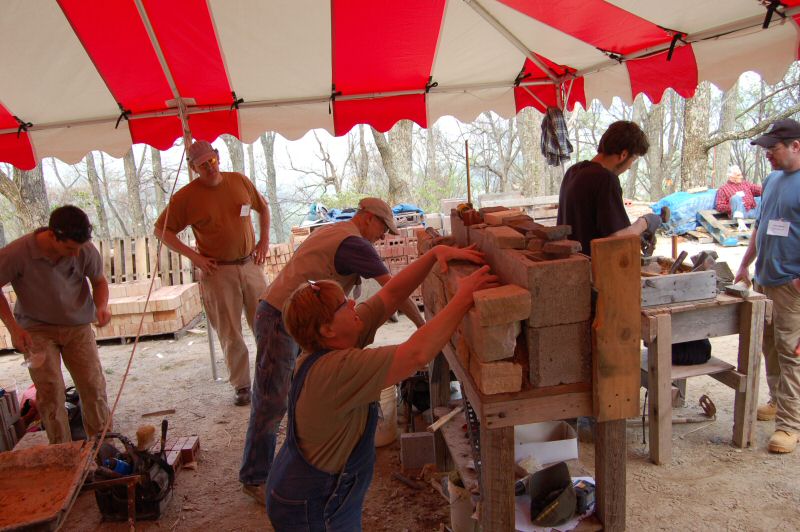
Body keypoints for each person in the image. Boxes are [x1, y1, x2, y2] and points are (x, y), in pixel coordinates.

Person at [266, 244, 494, 530]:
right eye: (343, 304)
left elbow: (392, 293)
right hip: (310, 504)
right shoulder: (335, 371)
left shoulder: (332, 341)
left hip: (306, 487)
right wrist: (463, 298)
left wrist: (434, 254)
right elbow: (417, 354)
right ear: (327, 329)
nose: (352, 304)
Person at [239, 197, 425, 501]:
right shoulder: (355, 243)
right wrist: (421, 324)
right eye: (382, 227)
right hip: (278, 316)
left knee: (297, 393)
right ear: (366, 217)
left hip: (290, 316)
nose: (382, 236)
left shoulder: (332, 231)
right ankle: (255, 477)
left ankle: (291, 465)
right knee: (272, 399)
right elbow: (394, 290)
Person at [154, 140, 270, 406]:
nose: (210, 168)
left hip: (250, 263)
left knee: (265, 322)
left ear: (218, 157)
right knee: (230, 330)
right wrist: (194, 257)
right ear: (193, 168)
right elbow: (161, 230)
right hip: (218, 271)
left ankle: (271, 376)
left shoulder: (238, 181)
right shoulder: (186, 197)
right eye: (203, 165)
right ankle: (242, 385)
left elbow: (263, 207)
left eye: (212, 161)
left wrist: (263, 241)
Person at [0, 206, 111, 444]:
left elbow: (99, 281)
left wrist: (102, 306)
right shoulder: (18, 252)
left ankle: (103, 448)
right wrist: (13, 328)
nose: (75, 254)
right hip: (36, 329)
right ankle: (61, 452)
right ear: (52, 235)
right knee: (50, 393)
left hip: (77, 327)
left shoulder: (84, 250)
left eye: (78, 248)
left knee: (92, 386)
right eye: (70, 248)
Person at [734, 118, 800, 454]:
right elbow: (761, 226)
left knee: (791, 354)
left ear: (795, 146)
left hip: (791, 287)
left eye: (772, 149)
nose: (768, 156)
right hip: (764, 279)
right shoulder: (772, 180)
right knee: (769, 346)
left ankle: (790, 425)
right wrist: (746, 263)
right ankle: (777, 401)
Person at [557, 121, 662, 256]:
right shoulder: (605, 179)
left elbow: (588, 225)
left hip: (572, 264)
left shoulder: (573, 171)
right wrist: (645, 222)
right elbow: (616, 239)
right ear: (623, 155)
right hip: (594, 271)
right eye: (633, 159)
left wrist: (636, 234)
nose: (629, 167)